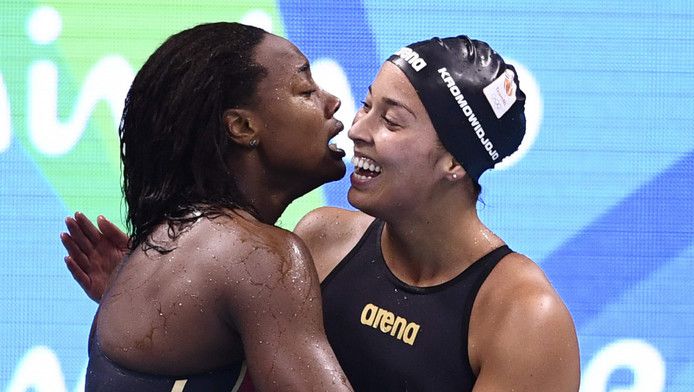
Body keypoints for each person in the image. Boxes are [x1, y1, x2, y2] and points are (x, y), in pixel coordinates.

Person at [63, 34, 580, 391]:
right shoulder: (321, 240)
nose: (358, 130)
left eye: (392, 121)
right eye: (368, 105)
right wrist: (165, 306)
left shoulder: (522, 317)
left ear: (452, 161)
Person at [59, 22, 354, 391]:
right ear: (243, 126)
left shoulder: (154, 251)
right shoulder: (258, 257)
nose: (333, 101)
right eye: (305, 90)